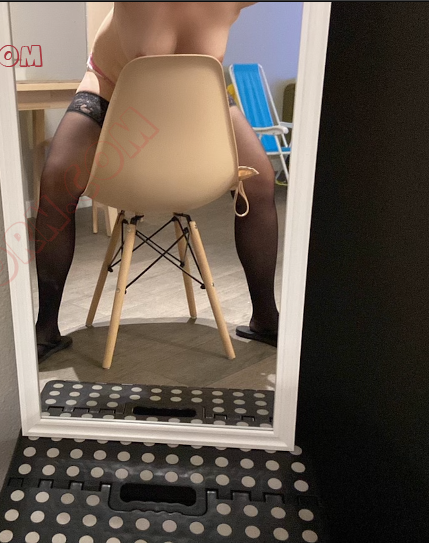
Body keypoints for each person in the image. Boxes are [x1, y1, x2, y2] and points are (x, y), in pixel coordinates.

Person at [35, 2, 279, 362]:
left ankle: (266, 318)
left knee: (260, 182)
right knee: (57, 181)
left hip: (195, 100)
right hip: (109, 92)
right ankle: (45, 327)